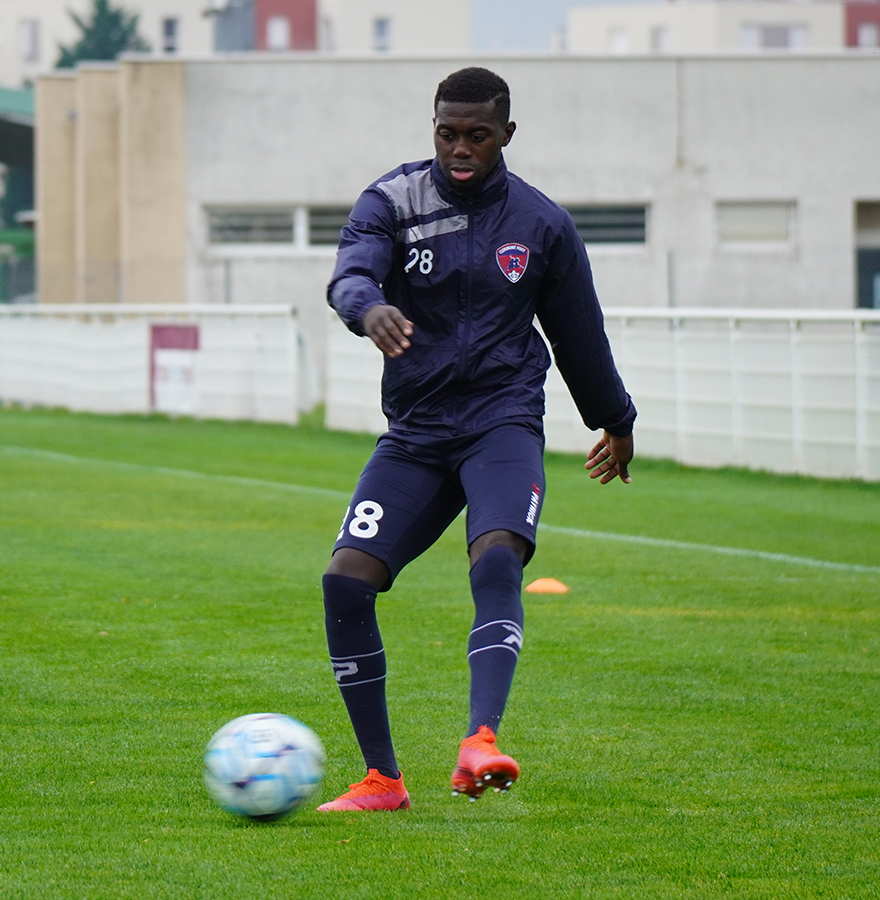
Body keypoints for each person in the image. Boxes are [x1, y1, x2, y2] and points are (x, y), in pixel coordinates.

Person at [316, 67, 636, 812]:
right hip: (418, 432)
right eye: (447, 132)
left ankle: (480, 741)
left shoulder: (541, 224)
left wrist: (615, 422)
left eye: (477, 135)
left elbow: (579, 336)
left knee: (495, 558)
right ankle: (381, 780)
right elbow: (349, 272)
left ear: (506, 135)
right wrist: (367, 309)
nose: (460, 147)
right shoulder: (392, 200)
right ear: (433, 128)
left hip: (502, 423)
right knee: (344, 579)